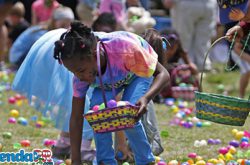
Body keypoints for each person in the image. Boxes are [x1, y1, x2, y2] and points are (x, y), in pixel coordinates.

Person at [53, 21, 169, 164]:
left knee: (129, 112)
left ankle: (145, 160)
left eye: (81, 71)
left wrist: (145, 98)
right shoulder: (81, 77)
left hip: (138, 72)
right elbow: (76, 118)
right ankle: (105, 161)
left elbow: (163, 74)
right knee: (98, 115)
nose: (80, 77)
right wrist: (76, 160)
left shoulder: (125, 48)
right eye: (74, 72)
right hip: (110, 81)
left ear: (94, 54)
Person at [9, 6, 74, 68]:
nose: (66, 29)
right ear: (54, 21)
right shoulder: (43, 33)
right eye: (63, 25)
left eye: (68, 26)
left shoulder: (47, 28)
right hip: (18, 57)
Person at [162, 0, 217, 71]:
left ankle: (186, 67)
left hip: (187, 4)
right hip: (208, 4)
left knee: (184, 39)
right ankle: (201, 66)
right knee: (201, 39)